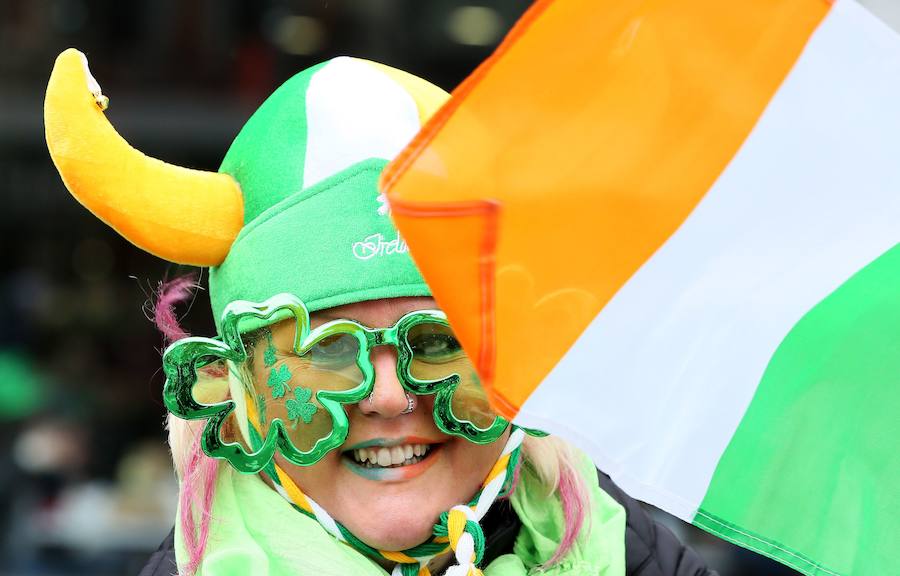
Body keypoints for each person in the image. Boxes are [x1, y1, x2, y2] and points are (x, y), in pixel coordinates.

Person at [45, 49, 717, 576]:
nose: (391, 397)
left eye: (439, 340)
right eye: (327, 349)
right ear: (236, 389)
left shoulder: (628, 552)